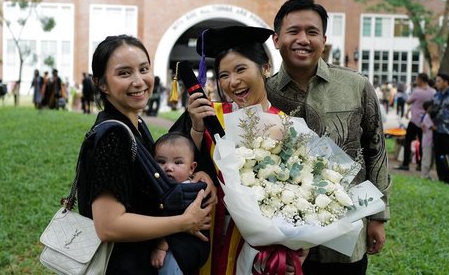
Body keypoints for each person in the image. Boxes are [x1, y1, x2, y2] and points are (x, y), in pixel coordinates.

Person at [265, 0, 391, 275]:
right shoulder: (264, 93)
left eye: (311, 32)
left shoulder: (356, 86)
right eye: (293, 31)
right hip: (284, 239)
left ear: (323, 39)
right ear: (276, 39)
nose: (303, 39)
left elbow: (376, 151)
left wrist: (378, 217)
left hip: (346, 235)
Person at [172, 25, 308, 274]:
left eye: (241, 69)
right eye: (223, 75)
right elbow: (175, 166)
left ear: (265, 67)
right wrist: (197, 130)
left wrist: (298, 249)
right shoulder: (209, 115)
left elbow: (303, 197)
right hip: (205, 234)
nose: (232, 81)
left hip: (258, 250)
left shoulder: (288, 126)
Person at [76, 34, 216, 274]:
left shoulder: (134, 125)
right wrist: (183, 223)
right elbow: (109, 225)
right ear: (101, 84)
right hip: (124, 265)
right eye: (124, 73)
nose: (139, 81)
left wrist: (197, 170)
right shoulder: (113, 137)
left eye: (144, 69)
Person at [151, 132, 210, 275]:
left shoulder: (184, 192)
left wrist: (161, 246)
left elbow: (170, 215)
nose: (168, 167)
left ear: (192, 168)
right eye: (161, 161)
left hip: (177, 252)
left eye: (177, 163)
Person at [395, 73, 436, 171]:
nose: (416, 81)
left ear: (421, 80)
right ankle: (420, 165)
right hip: (426, 121)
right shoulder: (433, 92)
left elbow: (408, 101)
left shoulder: (417, 91)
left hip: (415, 120)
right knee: (422, 143)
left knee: (408, 141)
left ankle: (405, 164)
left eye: (417, 79)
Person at [431, 73, 449, 185]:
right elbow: (432, 111)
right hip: (437, 131)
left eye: (439, 81)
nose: (436, 83)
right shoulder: (436, 95)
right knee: (438, 156)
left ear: (446, 82)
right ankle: (441, 179)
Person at [420, 100, 434, 179]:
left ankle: (427, 175)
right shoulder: (426, 117)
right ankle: (424, 175)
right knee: (426, 160)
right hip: (427, 142)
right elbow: (433, 128)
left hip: (429, 141)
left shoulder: (427, 116)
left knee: (430, 160)